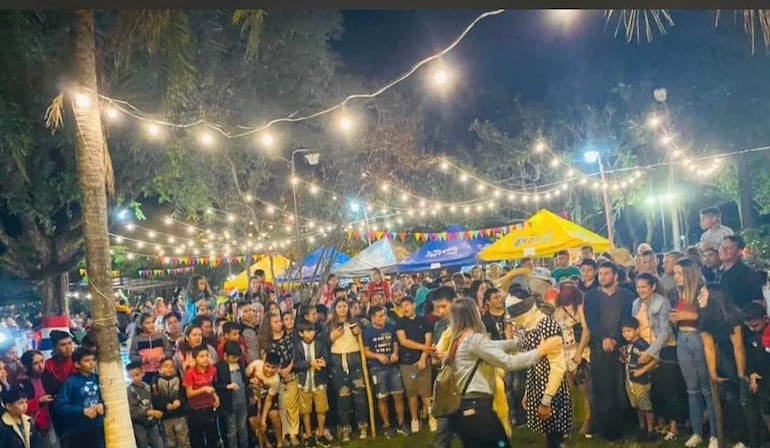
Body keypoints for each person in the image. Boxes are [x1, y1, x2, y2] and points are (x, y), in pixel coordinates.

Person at [441, 298, 561, 448]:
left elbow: (496, 345)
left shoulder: (459, 339)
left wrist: (524, 342)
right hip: (477, 409)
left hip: (465, 410)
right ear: (473, 314)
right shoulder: (473, 340)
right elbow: (507, 362)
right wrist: (540, 352)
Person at [506, 288, 571, 448]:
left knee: (555, 436)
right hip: (537, 382)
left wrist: (547, 400)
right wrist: (529, 391)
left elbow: (558, 366)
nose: (514, 322)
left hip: (551, 387)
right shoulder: (530, 327)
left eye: (515, 316)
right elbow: (532, 362)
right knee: (548, 434)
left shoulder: (547, 325)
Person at [582, 261, 635, 441]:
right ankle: (602, 426)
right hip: (599, 348)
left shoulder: (627, 296)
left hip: (620, 347)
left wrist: (617, 340)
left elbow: (629, 320)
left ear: (615, 276)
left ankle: (624, 426)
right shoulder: (590, 297)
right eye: (601, 274)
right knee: (601, 388)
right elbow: (592, 321)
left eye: (606, 273)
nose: (602, 277)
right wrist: (603, 338)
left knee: (620, 388)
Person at [670, 258, 718, 448]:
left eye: (679, 273)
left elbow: (708, 317)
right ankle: (697, 432)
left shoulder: (703, 291)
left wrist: (687, 316)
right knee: (692, 389)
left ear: (689, 274)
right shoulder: (677, 294)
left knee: (707, 389)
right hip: (682, 338)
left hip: (699, 338)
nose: (676, 277)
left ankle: (714, 434)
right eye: (675, 273)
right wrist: (674, 319)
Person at [632, 273, 686, 442]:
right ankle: (658, 424)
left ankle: (675, 426)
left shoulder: (661, 302)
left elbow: (665, 331)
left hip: (664, 349)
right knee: (654, 390)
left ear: (653, 286)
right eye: (638, 287)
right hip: (643, 348)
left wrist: (651, 352)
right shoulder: (635, 304)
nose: (641, 290)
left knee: (669, 389)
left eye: (644, 287)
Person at [697, 283, 751, 448]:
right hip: (724, 358)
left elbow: (739, 347)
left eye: (703, 294)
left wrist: (741, 373)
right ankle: (738, 436)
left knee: (744, 398)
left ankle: (749, 439)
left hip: (744, 356)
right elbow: (709, 346)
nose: (699, 297)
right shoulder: (705, 316)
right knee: (731, 399)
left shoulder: (733, 315)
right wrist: (712, 372)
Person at [327, 299, 368, 442]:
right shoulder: (329, 325)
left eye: (345, 306)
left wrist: (359, 333)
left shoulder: (355, 323)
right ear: (335, 308)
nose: (342, 309)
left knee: (359, 393)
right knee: (343, 395)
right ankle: (345, 426)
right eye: (339, 306)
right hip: (338, 361)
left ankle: (362, 424)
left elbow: (362, 340)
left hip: (354, 359)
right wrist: (332, 336)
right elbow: (324, 343)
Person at [364, 305, 408, 438]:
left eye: (384, 315)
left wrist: (395, 353)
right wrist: (378, 356)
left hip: (392, 366)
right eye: (379, 316)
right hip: (377, 368)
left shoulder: (390, 328)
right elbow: (365, 351)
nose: (383, 318)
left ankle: (401, 423)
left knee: (398, 395)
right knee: (382, 397)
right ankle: (387, 425)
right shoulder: (368, 332)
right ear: (372, 318)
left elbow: (395, 343)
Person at [553, 281, 591, 436]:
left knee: (584, 389)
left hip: (578, 351)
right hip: (563, 353)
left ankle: (588, 421)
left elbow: (586, 331)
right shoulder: (557, 310)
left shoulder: (580, 309)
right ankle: (568, 422)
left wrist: (579, 352)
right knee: (566, 390)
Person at [395, 296, 435, 433]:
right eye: (402, 306)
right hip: (406, 363)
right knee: (411, 394)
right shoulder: (400, 323)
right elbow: (403, 341)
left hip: (423, 360)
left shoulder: (424, 321)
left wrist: (424, 357)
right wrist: (424, 348)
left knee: (426, 392)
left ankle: (431, 417)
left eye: (407, 305)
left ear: (413, 305)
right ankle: (414, 419)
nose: (405, 308)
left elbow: (428, 340)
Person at [259, 313, 299, 446]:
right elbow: (269, 362)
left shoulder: (288, 337)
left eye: (280, 321)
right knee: (282, 406)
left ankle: (294, 433)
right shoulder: (268, 344)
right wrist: (280, 371)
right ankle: (284, 434)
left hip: (291, 374)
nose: (279, 324)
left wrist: (289, 368)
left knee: (293, 406)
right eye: (275, 322)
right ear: (269, 325)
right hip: (278, 378)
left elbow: (294, 354)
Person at [52, 348, 104, 448]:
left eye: (93, 360)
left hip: (98, 426)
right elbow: (59, 406)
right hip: (78, 429)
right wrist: (82, 411)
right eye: (86, 361)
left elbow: (105, 397)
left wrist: (101, 404)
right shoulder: (70, 382)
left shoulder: (98, 378)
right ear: (77, 364)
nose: (91, 363)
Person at [293, 322, 332, 448]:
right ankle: (309, 435)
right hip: (304, 383)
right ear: (301, 333)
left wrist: (323, 362)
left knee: (321, 409)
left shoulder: (320, 344)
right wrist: (310, 363)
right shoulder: (297, 346)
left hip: (319, 382)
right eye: (308, 331)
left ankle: (320, 434)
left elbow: (327, 358)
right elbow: (296, 364)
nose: (312, 333)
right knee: (306, 411)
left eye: (313, 331)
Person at [619, 318, 657, 441]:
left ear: (637, 330)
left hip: (641, 381)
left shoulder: (642, 345)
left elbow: (655, 360)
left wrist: (642, 370)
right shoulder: (629, 345)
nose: (626, 334)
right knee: (638, 406)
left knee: (645, 406)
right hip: (630, 381)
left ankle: (651, 430)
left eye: (629, 331)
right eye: (623, 331)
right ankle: (642, 428)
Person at [17, 350, 57, 448]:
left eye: (42, 361)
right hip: (31, 423)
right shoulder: (21, 383)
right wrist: (38, 401)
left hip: (50, 419)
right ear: (27, 366)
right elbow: (18, 405)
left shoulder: (48, 376)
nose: (40, 365)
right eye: (36, 363)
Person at [183, 346, 220, 448]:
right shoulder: (190, 373)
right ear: (195, 359)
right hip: (195, 411)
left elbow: (212, 386)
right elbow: (189, 393)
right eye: (201, 356)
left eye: (207, 356)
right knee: (197, 440)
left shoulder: (213, 370)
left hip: (209, 408)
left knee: (212, 437)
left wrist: (215, 396)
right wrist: (203, 389)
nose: (205, 358)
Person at [214, 342, 249, 448]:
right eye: (233, 357)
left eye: (237, 358)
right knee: (232, 429)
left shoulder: (240, 364)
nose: (235, 360)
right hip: (229, 404)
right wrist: (227, 386)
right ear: (225, 355)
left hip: (242, 401)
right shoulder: (219, 367)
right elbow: (215, 385)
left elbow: (244, 380)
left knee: (243, 426)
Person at [151, 357, 190, 448]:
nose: (169, 368)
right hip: (166, 416)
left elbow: (183, 394)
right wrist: (165, 405)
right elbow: (155, 397)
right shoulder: (156, 381)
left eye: (172, 366)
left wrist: (179, 401)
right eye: (166, 366)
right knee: (169, 440)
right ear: (160, 369)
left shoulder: (178, 379)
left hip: (179, 414)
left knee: (183, 438)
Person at [245, 353, 283, 447]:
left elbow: (269, 400)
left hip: (265, 399)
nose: (269, 370)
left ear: (278, 368)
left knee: (274, 414)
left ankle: (280, 442)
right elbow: (244, 378)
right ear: (264, 362)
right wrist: (250, 382)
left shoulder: (276, 380)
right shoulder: (255, 365)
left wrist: (263, 420)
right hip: (252, 398)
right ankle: (266, 443)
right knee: (253, 421)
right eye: (267, 366)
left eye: (273, 367)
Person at [718, 235, 764, 309]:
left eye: (728, 248)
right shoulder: (717, 272)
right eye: (722, 247)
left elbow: (758, 301)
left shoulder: (748, 273)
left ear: (739, 251)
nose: (723, 250)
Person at [126, 361, 164, 448]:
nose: (135, 378)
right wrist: (150, 412)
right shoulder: (129, 391)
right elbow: (133, 410)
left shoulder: (147, 386)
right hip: (139, 423)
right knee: (142, 444)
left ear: (143, 373)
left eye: (137, 374)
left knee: (158, 443)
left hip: (152, 422)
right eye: (131, 376)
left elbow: (151, 401)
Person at [130, 313, 173, 384]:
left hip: (161, 371)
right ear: (141, 325)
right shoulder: (136, 339)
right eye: (148, 323)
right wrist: (143, 359)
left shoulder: (161, 336)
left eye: (152, 322)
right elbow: (132, 356)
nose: (151, 325)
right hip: (145, 373)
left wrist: (163, 356)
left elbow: (169, 351)